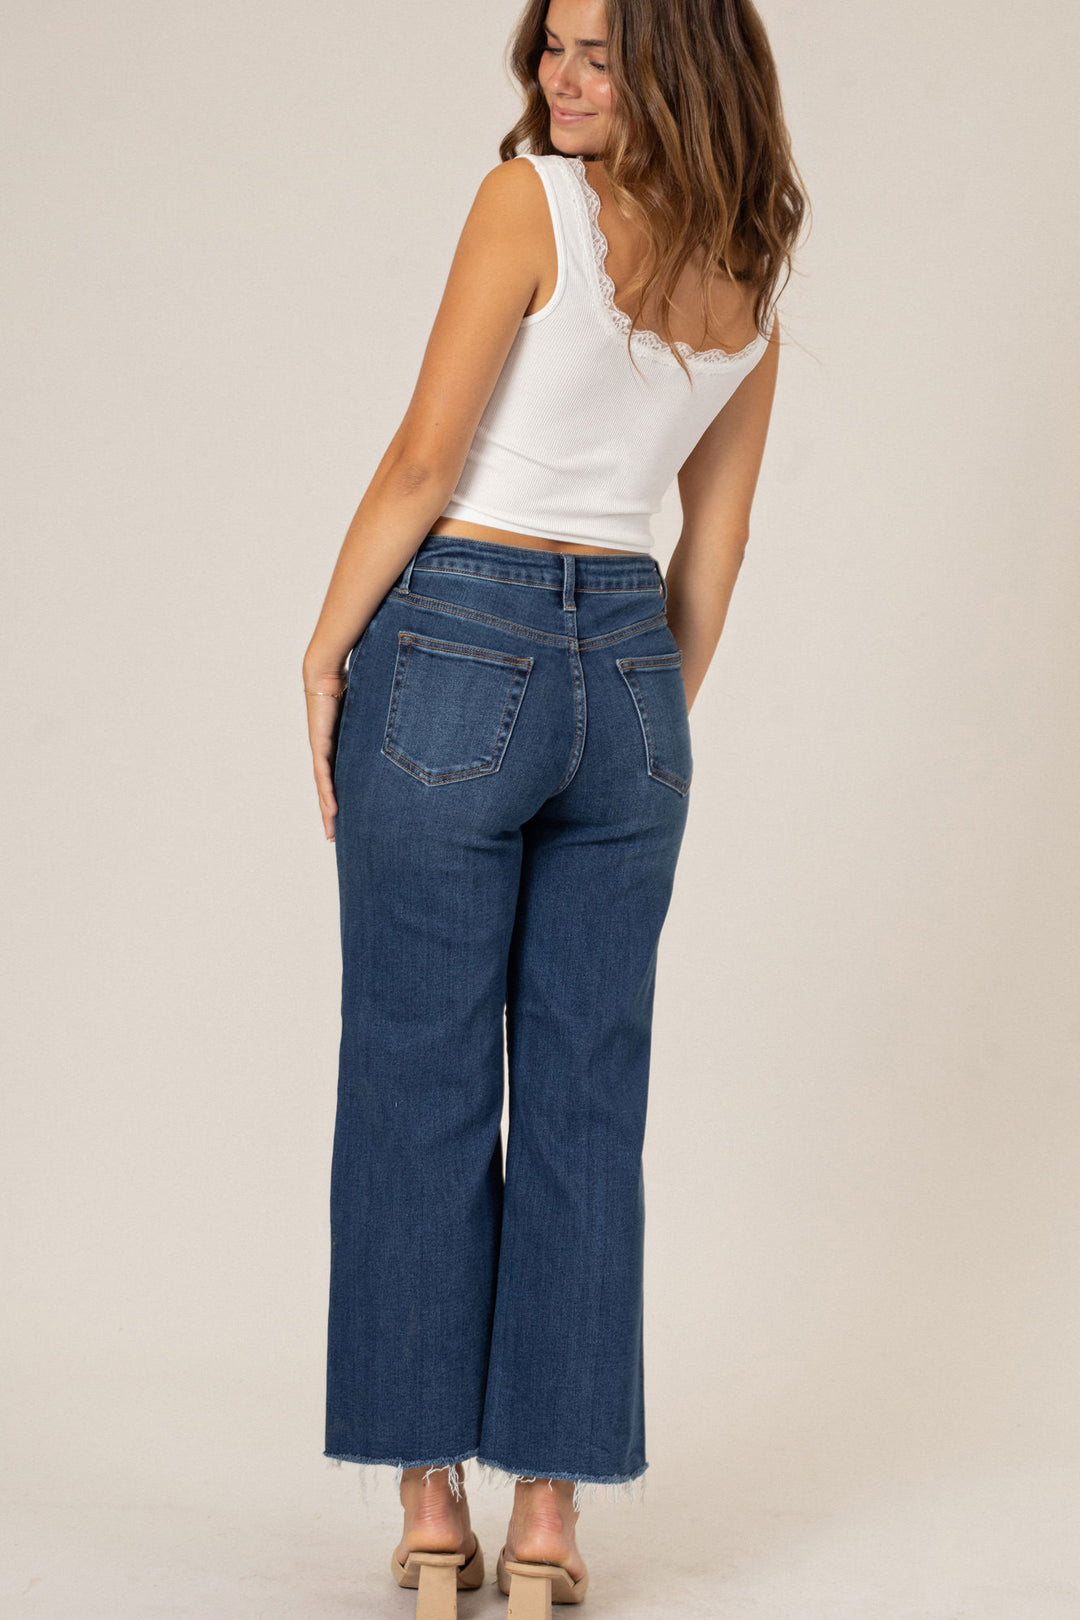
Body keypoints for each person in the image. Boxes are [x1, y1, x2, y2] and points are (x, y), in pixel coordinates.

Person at [302, 0, 806, 1610]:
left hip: (457, 635)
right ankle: (551, 1524)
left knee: (417, 1078)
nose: (556, 79)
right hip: (635, 686)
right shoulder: (747, 279)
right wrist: (637, 718)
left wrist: (325, 649)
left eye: (596, 50)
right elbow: (709, 557)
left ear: (684, 61)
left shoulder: (526, 201)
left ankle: (433, 1509)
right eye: (550, 50)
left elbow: (420, 464)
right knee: (590, 1105)